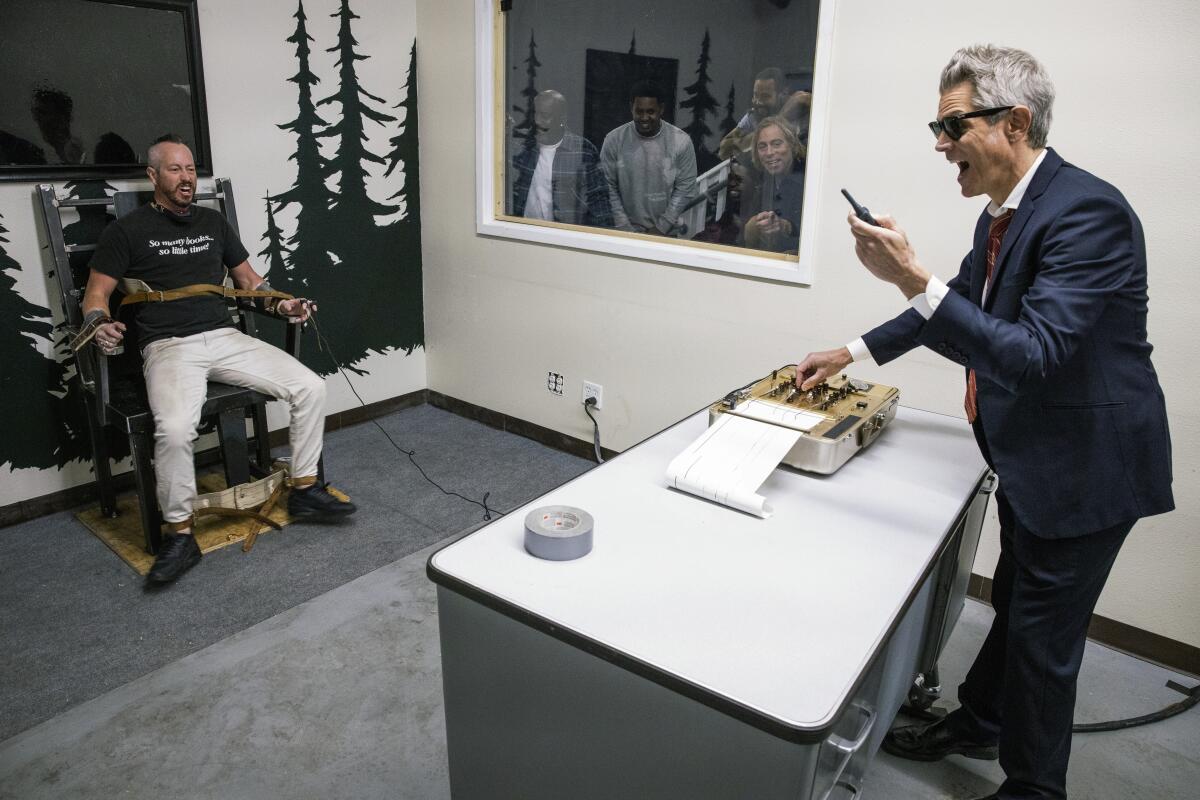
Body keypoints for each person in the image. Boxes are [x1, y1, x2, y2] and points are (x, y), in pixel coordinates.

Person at [796, 45, 1172, 800]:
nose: (939, 143)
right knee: (1015, 607)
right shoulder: (1002, 217)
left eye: (952, 124)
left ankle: (1035, 788)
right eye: (935, 124)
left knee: (1043, 641)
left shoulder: (1086, 212)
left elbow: (1031, 356)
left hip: (1088, 469)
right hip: (1034, 458)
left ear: (1015, 123)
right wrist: (853, 351)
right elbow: (955, 310)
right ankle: (979, 722)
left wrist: (911, 274)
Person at [81, 135, 356, 585]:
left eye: (190, 169)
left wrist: (282, 305)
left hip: (224, 338)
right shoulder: (126, 232)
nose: (186, 178)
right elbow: (96, 295)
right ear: (153, 176)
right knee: (172, 428)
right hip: (168, 346)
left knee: (310, 386)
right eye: (174, 169)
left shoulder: (213, 222)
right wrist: (99, 322)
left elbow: (249, 281)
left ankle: (305, 489)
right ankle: (180, 535)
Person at [599, 81, 697, 237]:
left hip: (665, 234)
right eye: (639, 111)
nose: (644, 117)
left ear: (661, 109)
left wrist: (661, 228)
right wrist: (625, 228)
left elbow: (685, 189)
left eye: (650, 111)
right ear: (631, 108)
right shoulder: (614, 140)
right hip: (621, 233)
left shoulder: (681, 142)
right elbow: (607, 187)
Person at [511, 90, 612, 227]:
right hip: (522, 233)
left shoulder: (583, 151)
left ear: (562, 119)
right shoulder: (521, 144)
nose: (538, 121)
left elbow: (599, 204)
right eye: (536, 113)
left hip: (562, 238)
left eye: (545, 116)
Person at [718, 67, 811, 164]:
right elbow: (723, 151)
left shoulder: (798, 104)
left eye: (765, 96)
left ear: (783, 93)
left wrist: (745, 142)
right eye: (755, 95)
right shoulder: (753, 116)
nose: (758, 102)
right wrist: (773, 125)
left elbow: (805, 99)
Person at [740, 116, 805, 252]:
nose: (769, 153)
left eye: (776, 144)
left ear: (792, 145)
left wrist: (785, 226)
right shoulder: (763, 187)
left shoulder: (808, 183)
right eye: (762, 146)